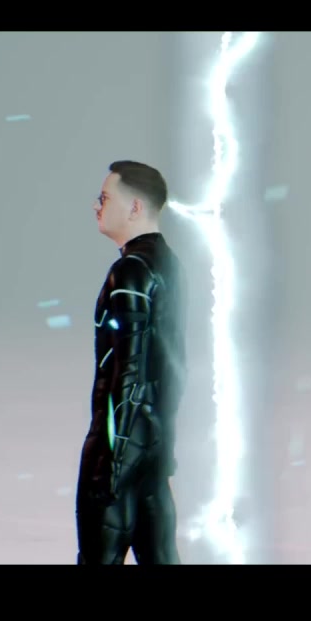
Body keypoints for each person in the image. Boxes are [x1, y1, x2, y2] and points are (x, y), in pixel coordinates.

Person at [76, 160, 187, 564]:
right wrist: (161, 448)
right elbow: (175, 367)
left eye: (105, 198)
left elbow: (128, 369)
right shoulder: (170, 264)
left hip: (119, 451)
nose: (96, 206)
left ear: (135, 207)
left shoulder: (129, 271)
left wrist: (110, 463)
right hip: (152, 449)